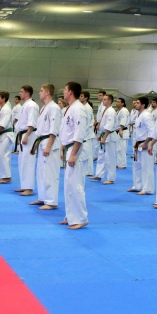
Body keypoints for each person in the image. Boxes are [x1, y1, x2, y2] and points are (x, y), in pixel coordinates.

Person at [59, 82, 89, 230]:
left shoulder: (78, 109)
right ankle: (71, 215)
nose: (63, 91)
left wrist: (72, 154)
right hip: (69, 148)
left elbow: (79, 133)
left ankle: (80, 218)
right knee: (69, 185)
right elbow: (66, 131)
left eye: (65, 89)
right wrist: (62, 147)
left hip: (76, 151)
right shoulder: (70, 108)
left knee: (76, 185)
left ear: (70, 92)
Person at [29, 84, 62, 209]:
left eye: (41, 91)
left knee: (50, 173)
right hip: (42, 142)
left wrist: (48, 146)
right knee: (41, 172)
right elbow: (41, 129)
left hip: (50, 144)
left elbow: (54, 129)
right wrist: (35, 146)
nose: (39, 93)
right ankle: (43, 197)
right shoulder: (44, 107)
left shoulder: (54, 108)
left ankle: (51, 201)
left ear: (47, 93)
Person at [14, 85, 39, 196]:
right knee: (22, 161)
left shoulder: (32, 105)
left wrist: (27, 135)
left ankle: (29, 188)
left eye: (21, 92)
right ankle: (24, 185)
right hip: (23, 134)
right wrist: (20, 136)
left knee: (28, 161)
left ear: (27, 93)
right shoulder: (25, 105)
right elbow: (21, 122)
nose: (20, 93)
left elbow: (32, 122)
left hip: (29, 135)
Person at [128, 96, 155, 195]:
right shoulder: (138, 114)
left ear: (143, 105)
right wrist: (137, 142)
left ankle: (148, 189)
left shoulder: (146, 115)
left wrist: (146, 142)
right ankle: (138, 186)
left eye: (138, 103)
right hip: (138, 143)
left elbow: (152, 131)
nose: (135, 104)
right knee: (137, 166)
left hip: (145, 144)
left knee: (146, 167)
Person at [91, 94, 118, 185]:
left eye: (105, 99)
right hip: (104, 134)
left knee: (110, 158)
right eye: (103, 99)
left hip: (109, 136)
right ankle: (99, 174)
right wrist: (101, 136)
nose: (103, 101)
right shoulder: (105, 110)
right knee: (101, 156)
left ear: (110, 101)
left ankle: (111, 178)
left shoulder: (111, 111)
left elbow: (109, 126)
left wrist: (104, 137)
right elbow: (104, 124)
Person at [79, 91, 95, 177]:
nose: (80, 97)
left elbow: (88, 122)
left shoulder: (87, 108)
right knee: (85, 152)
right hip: (85, 133)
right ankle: (87, 170)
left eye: (82, 96)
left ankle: (89, 171)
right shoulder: (83, 107)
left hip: (87, 133)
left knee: (88, 152)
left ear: (86, 98)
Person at [116, 97, 130, 169]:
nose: (117, 103)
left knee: (122, 149)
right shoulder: (119, 111)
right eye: (116, 101)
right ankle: (119, 163)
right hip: (119, 130)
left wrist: (120, 129)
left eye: (118, 102)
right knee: (119, 149)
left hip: (122, 130)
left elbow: (123, 120)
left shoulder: (124, 111)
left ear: (122, 103)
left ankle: (122, 164)